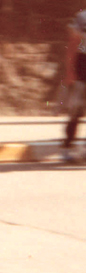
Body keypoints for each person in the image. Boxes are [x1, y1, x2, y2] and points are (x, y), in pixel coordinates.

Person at [62, 9, 86, 162]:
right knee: (75, 110)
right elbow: (73, 45)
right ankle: (68, 147)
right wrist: (70, 72)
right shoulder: (83, 17)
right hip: (82, 67)